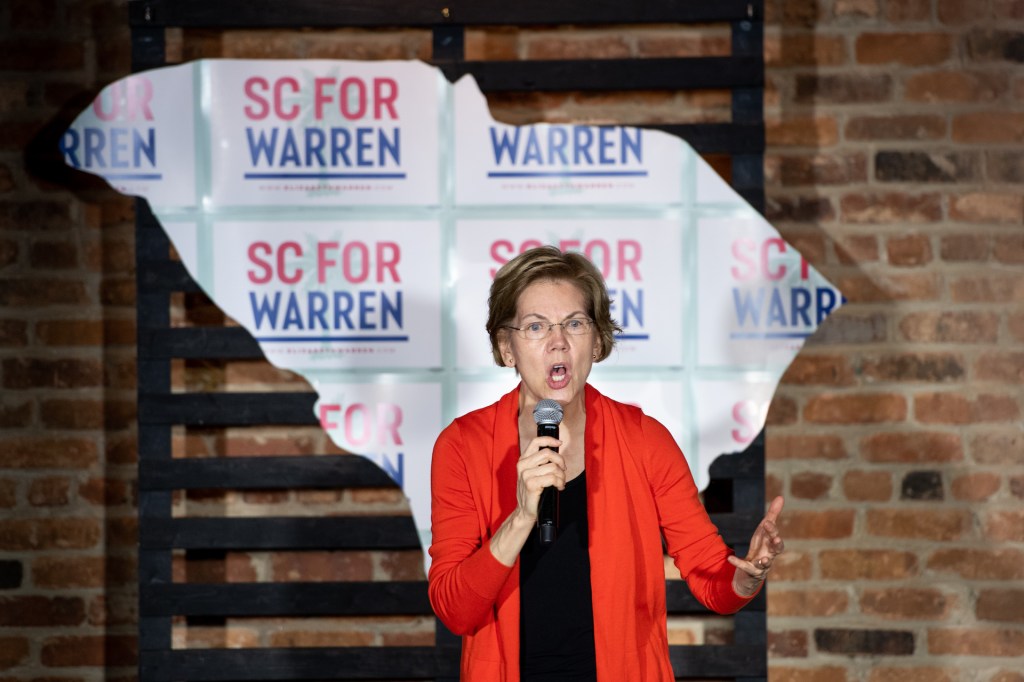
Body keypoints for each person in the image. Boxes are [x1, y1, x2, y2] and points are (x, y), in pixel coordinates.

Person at [428, 245, 785, 681]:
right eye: (536, 326)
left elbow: (710, 574)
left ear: (597, 342)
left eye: (575, 324)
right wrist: (521, 518)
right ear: (507, 348)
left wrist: (747, 579)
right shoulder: (462, 446)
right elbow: (454, 610)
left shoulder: (644, 439)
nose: (558, 341)